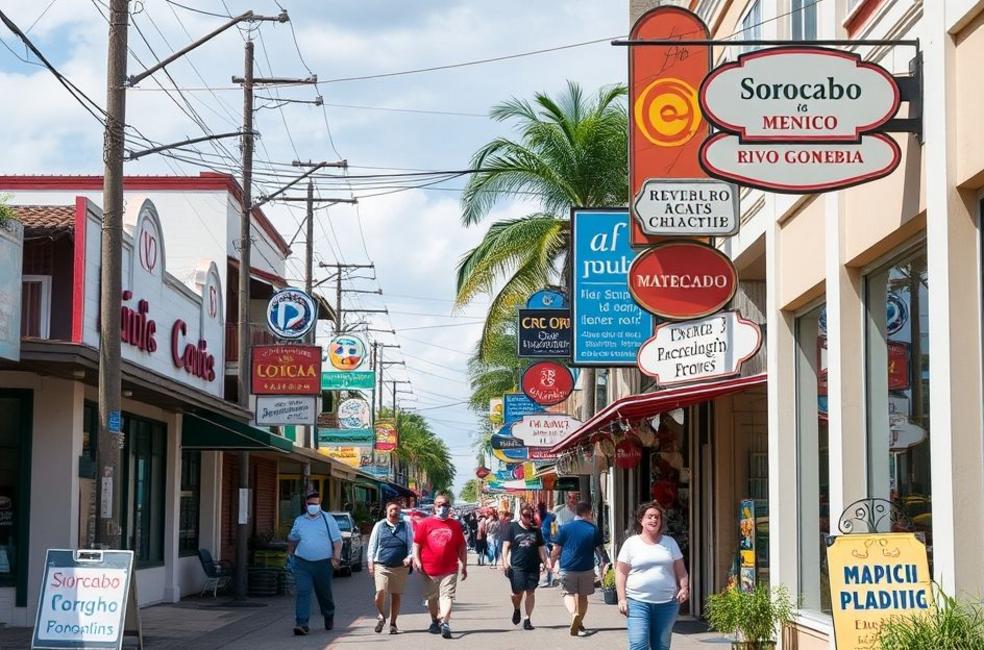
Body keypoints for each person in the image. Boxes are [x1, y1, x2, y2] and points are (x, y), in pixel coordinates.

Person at [615, 501, 689, 650]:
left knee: (661, 645)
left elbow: (681, 570)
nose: (654, 520)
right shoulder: (631, 543)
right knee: (638, 643)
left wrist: (684, 587)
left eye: (657, 517)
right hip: (637, 602)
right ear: (641, 520)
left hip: (667, 603)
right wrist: (621, 599)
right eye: (649, 517)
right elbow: (621, 572)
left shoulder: (670, 543)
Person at [551, 501, 610, 637]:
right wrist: (604, 563)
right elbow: (600, 549)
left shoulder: (564, 528)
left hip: (568, 566)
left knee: (568, 593)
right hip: (586, 567)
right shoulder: (593, 529)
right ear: (589, 512)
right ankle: (579, 621)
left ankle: (574, 614)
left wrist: (552, 563)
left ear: (575, 512)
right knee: (583, 597)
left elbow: (556, 549)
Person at [413, 493, 468, 639]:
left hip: (449, 568)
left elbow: (462, 546)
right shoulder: (425, 523)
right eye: (439, 504)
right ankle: (434, 620)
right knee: (432, 598)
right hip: (428, 569)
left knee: (447, 596)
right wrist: (417, 561)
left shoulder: (455, 525)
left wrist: (464, 564)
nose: (442, 507)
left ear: (449, 507)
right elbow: (416, 544)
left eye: (445, 505)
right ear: (434, 506)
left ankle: (445, 622)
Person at [287, 491, 343, 636]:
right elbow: (293, 538)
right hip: (302, 563)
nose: (313, 506)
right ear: (306, 505)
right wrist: (290, 554)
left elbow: (337, 541)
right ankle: (302, 623)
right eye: (311, 504)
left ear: (320, 505)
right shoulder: (299, 521)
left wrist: (336, 557)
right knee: (303, 592)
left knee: (324, 593)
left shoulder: (328, 519)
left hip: (323, 564)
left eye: (316, 504)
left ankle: (329, 614)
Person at [367, 500, 413, 635]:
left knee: (396, 595)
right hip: (381, 564)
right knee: (380, 591)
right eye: (392, 509)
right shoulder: (379, 526)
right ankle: (382, 615)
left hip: (400, 566)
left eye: (397, 510)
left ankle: (393, 623)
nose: (395, 512)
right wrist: (370, 562)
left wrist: (409, 557)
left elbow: (411, 544)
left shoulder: (406, 526)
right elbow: (372, 545)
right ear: (386, 512)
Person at [501, 504, 550, 630]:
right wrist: (504, 562)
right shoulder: (512, 527)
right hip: (517, 566)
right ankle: (517, 608)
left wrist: (545, 562)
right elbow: (505, 546)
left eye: (530, 515)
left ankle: (527, 619)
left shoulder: (536, 530)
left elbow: (541, 548)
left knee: (530, 592)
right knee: (517, 593)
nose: (528, 518)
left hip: (533, 566)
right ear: (520, 515)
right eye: (525, 515)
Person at [537, 502, 556, 587]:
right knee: (543, 561)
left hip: (548, 543)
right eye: (539, 509)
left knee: (547, 561)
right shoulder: (536, 517)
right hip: (539, 543)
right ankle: (546, 579)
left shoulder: (551, 517)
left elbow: (555, 530)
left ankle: (549, 580)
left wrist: (554, 540)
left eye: (541, 509)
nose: (540, 511)